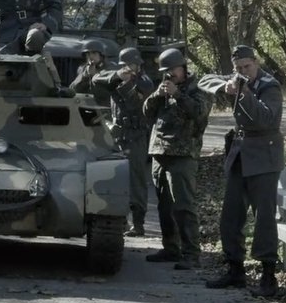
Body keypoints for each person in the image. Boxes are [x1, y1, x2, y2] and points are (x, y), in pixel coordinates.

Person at [206, 45, 285, 297]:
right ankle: (235, 269)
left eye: (247, 67)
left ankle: (268, 276)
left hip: (263, 155)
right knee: (230, 215)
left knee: (263, 219)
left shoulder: (269, 85)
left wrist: (245, 92)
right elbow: (204, 80)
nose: (243, 71)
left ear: (256, 62)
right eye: (238, 68)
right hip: (240, 155)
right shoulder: (235, 79)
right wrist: (226, 86)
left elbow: (266, 118)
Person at [142, 47, 210, 269]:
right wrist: (156, 96)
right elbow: (147, 113)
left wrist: (177, 95)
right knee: (164, 206)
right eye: (166, 71)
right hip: (160, 152)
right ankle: (170, 248)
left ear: (183, 68)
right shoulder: (163, 88)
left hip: (183, 153)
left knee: (183, 205)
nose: (169, 74)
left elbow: (199, 113)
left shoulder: (197, 89)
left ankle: (191, 253)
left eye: (173, 70)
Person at [99, 47, 156, 237]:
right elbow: (96, 80)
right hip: (117, 135)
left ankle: (138, 223)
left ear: (138, 65)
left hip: (136, 136)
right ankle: (118, 220)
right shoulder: (117, 77)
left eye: (129, 65)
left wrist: (125, 83)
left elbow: (134, 102)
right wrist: (116, 76)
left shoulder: (145, 82)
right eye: (123, 65)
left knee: (136, 180)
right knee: (114, 179)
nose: (127, 68)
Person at [69, 39, 112, 105]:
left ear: (101, 55)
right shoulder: (83, 69)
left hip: (103, 107)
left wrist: (95, 77)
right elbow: (73, 90)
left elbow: (105, 94)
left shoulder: (110, 69)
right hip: (85, 105)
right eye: (88, 54)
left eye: (94, 53)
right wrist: (84, 76)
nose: (91, 56)